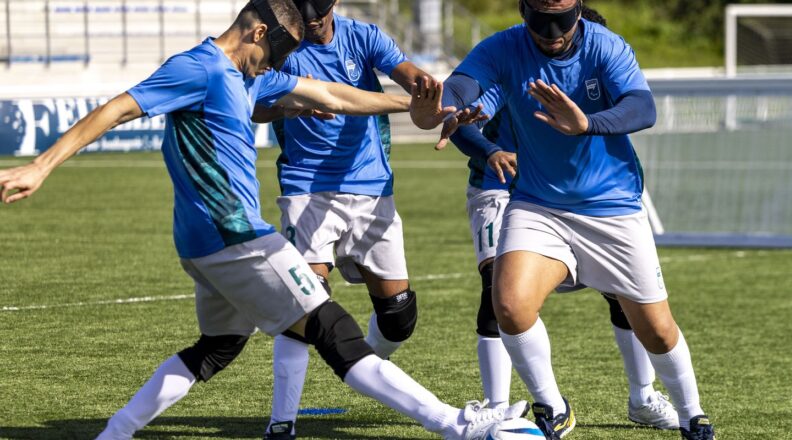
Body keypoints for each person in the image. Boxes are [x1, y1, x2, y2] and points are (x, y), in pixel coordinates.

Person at [0, 1, 522, 439]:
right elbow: (117, 108)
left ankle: (113, 434)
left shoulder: (247, 76)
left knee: (217, 349)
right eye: (275, 52)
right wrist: (42, 165)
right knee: (332, 329)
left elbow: (333, 94)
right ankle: (457, 426)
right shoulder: (199, 68)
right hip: (237, 238)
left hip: (205, 244)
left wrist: (412, 107)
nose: (276, 64)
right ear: (255, 32)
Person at [411, 0, 716, 439]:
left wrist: (585, 123)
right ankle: (552, 406)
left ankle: (691, 414)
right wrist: (440, 107)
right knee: (510, 304)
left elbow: (643, 109)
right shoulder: (503, 47)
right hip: (538, 204)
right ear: (523, 12)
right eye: (541, 26)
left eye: (562, 25)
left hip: (611, 208)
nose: (552, 35)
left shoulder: (606, 47)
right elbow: (464, 86)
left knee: (657, 329)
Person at [249, 1, 437, 437]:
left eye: (320, 11)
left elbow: (410, 75)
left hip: (373, 190)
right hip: (306, 189)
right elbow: (255, 106)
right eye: (304, 11)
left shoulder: (364, 36)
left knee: (398, 316)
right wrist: (290, 105)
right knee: (303, 304)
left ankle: (367, 366)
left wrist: (427, 95)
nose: (313, 21)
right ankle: (282, 423)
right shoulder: (279, 45)